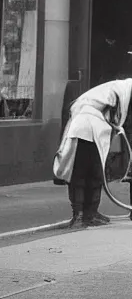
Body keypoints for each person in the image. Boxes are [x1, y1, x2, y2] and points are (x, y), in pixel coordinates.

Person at [53, 78, 132, 228]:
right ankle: (86, 214)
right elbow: (126, 122)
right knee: (90, 172)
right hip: (91, 127)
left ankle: (83, 214)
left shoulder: (114, 89)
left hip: (81, 127)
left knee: (84, 172)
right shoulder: (123, 91)